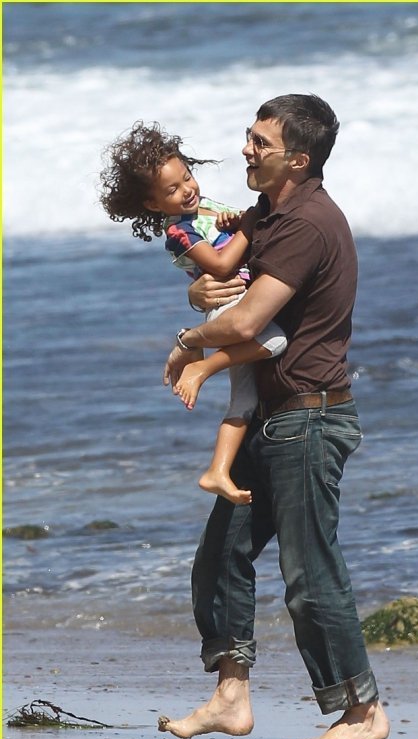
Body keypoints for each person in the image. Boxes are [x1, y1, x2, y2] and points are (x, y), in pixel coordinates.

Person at [159, 94, 390, 739]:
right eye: (249, 135)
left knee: (310, 574)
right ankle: (231, 698)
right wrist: (196, 295)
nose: (246, 149)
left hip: (309, 419)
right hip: (269, 418)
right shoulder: (267, 212)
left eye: (260, 142)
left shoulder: (308, 223)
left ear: (299, 160)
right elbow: (221, 283)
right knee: (219, 558)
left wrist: (188, 344)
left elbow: (247, 320)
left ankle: (362, 713)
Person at [99, 122, 286, 505]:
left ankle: (217, 471)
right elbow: (220, 266)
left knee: (244, 401)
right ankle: (203, 366)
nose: (186, 189)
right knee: (278, 340)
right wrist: (249, 226)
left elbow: (237, 230)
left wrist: (236, 222)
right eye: (172, 190)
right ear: (154, 204)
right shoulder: (179, 231)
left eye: (186, 177)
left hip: (240, 301)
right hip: (227, 306)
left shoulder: (205, 207)